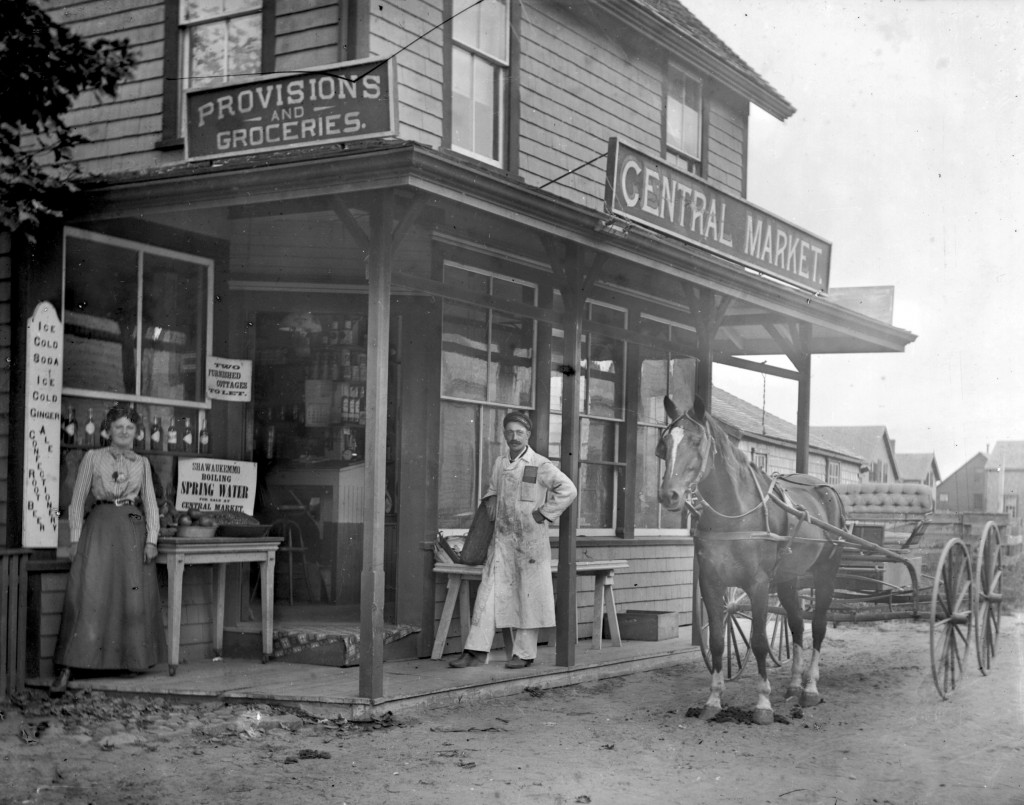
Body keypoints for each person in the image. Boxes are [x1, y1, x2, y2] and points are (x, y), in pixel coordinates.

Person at [49, 403, 165, 695]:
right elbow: (76, 501)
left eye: (129, 427)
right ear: (108, 430)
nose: (124, 432)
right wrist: (75, 538)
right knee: (89, 591)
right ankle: (70, 664)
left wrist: (152, 539)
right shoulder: (92, 457)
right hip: (99, 527)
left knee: (128, 592)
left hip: (131, 528)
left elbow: (150, 503)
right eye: (118, 427)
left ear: (136, 432)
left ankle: (127, 661)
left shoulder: (142, 463)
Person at [449, 411, 577, 670]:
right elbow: (493, 489)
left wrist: (545, 513)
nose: (514, 437)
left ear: (527, 435)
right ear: (504, 434)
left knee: (527, 597)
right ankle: (475, 651)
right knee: (487, 595)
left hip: (530, 544)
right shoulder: (500, 463)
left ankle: (524, 654)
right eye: (510, 432)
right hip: (502, 542)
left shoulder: (540, 464)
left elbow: (569, 489)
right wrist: (492, 497)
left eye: (519, 432)